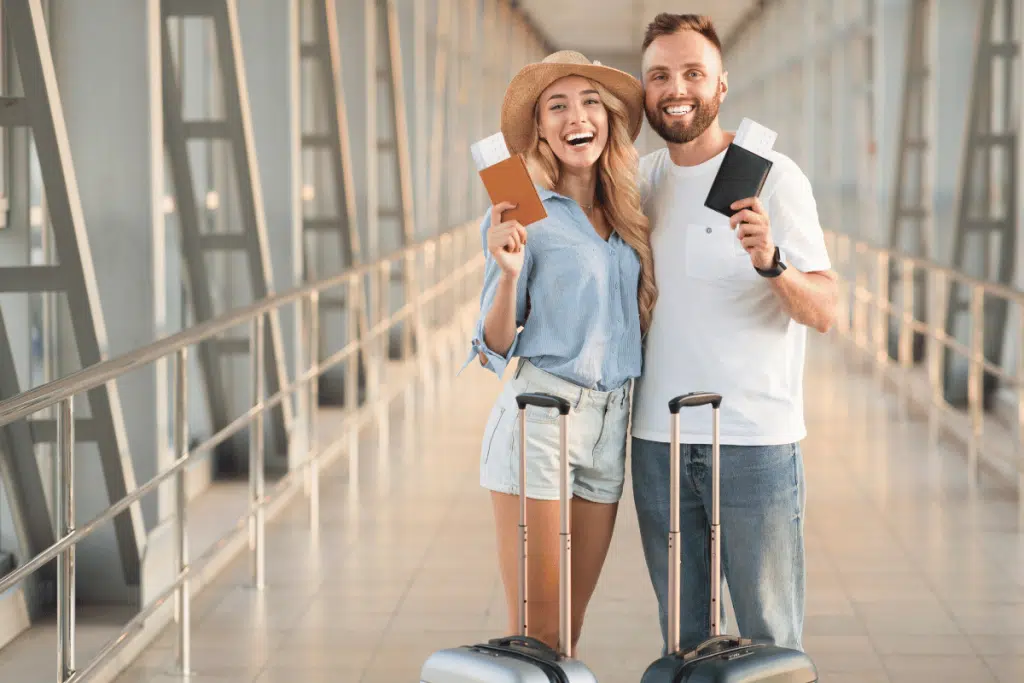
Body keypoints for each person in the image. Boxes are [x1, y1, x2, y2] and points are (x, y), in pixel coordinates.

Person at [629, 13, 838, 655]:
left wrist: (772, 263)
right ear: (644, 90)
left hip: (753, 443)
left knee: (768, 640)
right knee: (683, 639)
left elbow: (826, 308)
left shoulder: (775, 177)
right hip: (658, 442)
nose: (676, 88)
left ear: (722, 86)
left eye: (694, 73)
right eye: (660, 75)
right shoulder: (640, 182)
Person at [461, 50, 656, 652]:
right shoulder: (524, 212)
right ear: (542, 130)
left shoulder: (628, 214)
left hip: (609, 425)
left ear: (609, 120)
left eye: (591, 102)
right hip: (540, 419)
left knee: (566, 631)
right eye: (559, 106)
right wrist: (510, 272)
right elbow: (493, 348)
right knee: (539, 635)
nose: (579, 116)